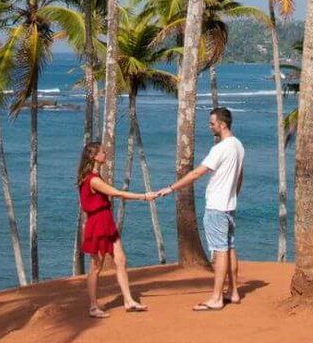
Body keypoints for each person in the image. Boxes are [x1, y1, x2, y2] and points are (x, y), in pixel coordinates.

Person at [156, 107, 244, 311]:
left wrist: (171, 188)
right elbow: (240, 177)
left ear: (222, 124)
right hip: (229, 206)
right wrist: (233, 196)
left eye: (212, 123)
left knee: (220, 251)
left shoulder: (220, 148)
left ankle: (216, 298)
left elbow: (197, 173)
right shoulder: (238, 146)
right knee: (229, 247)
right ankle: (233, 292)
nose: (210, 126)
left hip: (217, 207)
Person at [77, 140, 153, 318]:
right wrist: (144, 196)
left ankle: (129, 301)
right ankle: (93, 307)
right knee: (96, 266)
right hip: (98, 224)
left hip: (106, 221)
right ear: (94, 156)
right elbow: (116, 193)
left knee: (121, 260)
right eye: (102, 152)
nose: (105, 154)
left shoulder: (96, 176)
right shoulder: (93, 180)